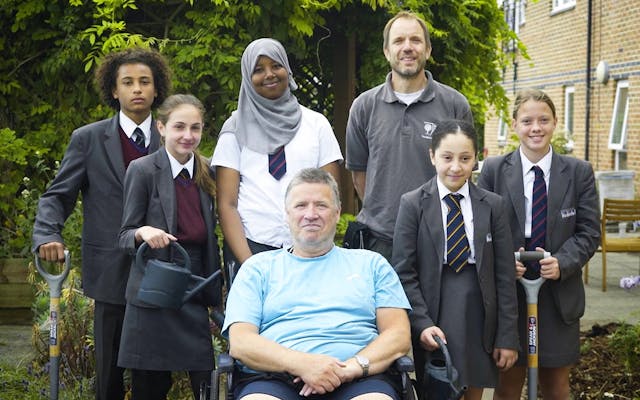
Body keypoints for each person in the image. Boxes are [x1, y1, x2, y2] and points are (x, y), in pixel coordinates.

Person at [31, 48, 171, 400]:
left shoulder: (173, 139)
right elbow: (58, 195)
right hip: (110, 271)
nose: (137, 89)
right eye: (127, 82)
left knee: (154, 375)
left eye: (145, 82)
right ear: (114, 90)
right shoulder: (89, 139)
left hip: (160, 271)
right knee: (108, 373)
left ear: (157, 90)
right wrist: (48, 233)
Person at [222, 168, 411, 400]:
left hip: (360, 378)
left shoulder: (372, 264)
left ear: (338, 212)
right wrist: (303, 364)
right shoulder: (257, 269)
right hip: (273, 380)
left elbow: (398, 334)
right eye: (301, 205)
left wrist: (350, 368)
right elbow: (241, 342)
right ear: (287, 213)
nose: (310, 214)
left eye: (321, 205)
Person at [477, 89, 600, 400]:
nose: (536, 127)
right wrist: (504, 262)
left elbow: (588, 232)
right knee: (507, 386)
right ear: (515, 124)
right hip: (511, 296)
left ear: (555, 123)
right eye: (527, 120)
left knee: (556, 387)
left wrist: (563, 262)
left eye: (544, 120)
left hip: (559, 294)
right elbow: (481, 229)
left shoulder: (578, 172)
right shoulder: (493, 170)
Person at [392, 120, 519, 400]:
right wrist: (422, 323)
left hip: (480, 308)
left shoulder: (493, 205)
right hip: (435, 306)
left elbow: (504, 275)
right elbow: (404, 272)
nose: (456, 166)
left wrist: (507, 336)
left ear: (476, 159)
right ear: (432, 156)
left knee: (473, 387)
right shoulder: (413, 204)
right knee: (440, 388)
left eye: (465, 158)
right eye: (447, 157)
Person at [345, 11, 474, 261]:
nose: (407, 47)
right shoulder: (364, 107)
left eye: (415, 40)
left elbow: (464, 173)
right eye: (398, 41)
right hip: (379, 243)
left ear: (427, 50)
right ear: (386, 51)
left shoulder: (455, 105)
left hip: (439, 238)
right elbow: (360, 176)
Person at [117, 94, 222, 399]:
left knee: (205, 383)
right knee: (149, 388)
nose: (188, 136)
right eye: (179, 127)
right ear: (161, 128)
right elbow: (123, 236)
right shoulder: (143, 169)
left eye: (195, 128)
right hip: (154, 291)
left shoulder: (208, 171)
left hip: (194, 287)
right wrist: (143, 231)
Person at [211, 38, 343, 275]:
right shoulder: (234, 129)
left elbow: (330, 195)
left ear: (287, 70)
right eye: (258, 70)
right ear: (247, 79)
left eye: (276, 66)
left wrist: (319, 250)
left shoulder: (316, 125)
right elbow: (226, 204)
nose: (269, 74)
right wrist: (249, 264)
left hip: (310, 250)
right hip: (252, 248)